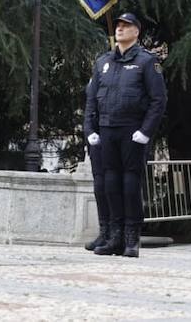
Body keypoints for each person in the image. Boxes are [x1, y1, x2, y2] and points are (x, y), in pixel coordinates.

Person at [84, 12, 166, 258]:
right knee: (110, 183)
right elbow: (91, 100)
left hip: (132, 131)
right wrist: (90, 130)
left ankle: (132, 237)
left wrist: (145, 131)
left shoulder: (147, 62)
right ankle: (114, 236)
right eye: (118, 25)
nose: (120, 29)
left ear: (136, 32)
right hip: (107, 130)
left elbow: (158, 100)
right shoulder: (103, 62)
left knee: (130, 185)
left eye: (126, 26)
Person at [81, 70, 109, 251]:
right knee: (100, 187)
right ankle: (104, 232)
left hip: (115, 133)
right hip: (97, 138)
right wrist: (89, 131)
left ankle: (119, 233)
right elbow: (89, 108)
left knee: (115, 187)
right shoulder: (99, 74)